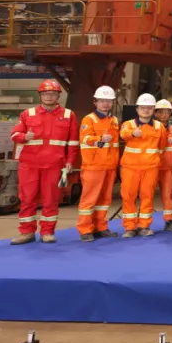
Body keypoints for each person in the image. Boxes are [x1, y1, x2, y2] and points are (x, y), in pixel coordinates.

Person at [9, 80, 77, 245]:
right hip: (29, 165)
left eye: (53, 93)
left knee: (51, 199)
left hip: (54, 164)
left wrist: (70, 161)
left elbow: (73, 142)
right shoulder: (28, 114)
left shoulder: (68, 115)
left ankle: (47, 232)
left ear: (58, 96)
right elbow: (14, 135)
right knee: (27, 198)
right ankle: (27, 232)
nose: (49, 96)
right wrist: (25, 137)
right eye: (45, 93)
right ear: (40, 95)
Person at [76, 86, 120, 242]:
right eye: (102, 101)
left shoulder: (114, 120)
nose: (106, 104)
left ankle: (101, 227)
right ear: (95, 102)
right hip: (93, 166)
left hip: (109, 166)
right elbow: (85, 138)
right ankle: (85, 229)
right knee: (89, 199)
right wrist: (100, 139)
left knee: (104, 200)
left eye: (109, 101)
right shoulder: (89, 119)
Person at [118, 93, 166, 237]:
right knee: (128, 196)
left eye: (149, 108)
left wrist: (153, 159)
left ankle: (144, 226)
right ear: (137, 109)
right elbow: (123, 134)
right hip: (130, 167)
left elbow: (162, 146)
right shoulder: (129, 125)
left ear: (153, 110)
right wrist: (133, 133)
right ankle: (130, 227)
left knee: (148, 196)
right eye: (143, 107)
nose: (146, 110)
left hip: (150, 168)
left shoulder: (159, 126)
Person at [155, 99, 172, 232]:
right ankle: (143, 224)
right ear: (155, 113)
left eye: (166, 112)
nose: (164, 115)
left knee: (168, 195)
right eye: (161, 112)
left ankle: (169, 221)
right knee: (146, 195)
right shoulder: (150, 127)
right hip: (152, 167)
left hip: (168, 168)